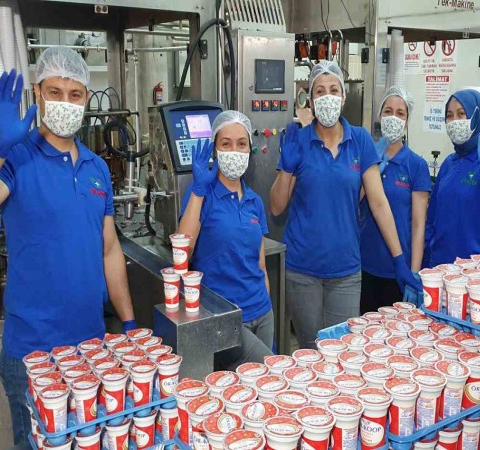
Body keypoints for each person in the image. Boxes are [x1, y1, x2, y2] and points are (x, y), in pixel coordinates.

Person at [0, 47, 136, 445]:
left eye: (75, 94)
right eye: (55, 92)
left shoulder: (97, 168)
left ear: (86, 98)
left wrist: (129, 323)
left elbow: (109, 251)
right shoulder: (17, 158)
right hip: (34, 356)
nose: (65, 102)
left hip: (91, 348)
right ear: (37, 93)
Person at [270, 60, 421, 350]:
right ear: (311, 99)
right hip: (303, 270)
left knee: (342, 351)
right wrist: (286, 168)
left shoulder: (360, 139)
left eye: (334, 90)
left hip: (346, 271)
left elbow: (378, 203)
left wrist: (399, 259)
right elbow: (276, 207)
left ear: (343, 97)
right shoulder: (298, 141)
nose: (327, 96)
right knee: (311, 351)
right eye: (320, 91)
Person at [177, 110, 274, 368]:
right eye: (226, 144)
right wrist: (198, 191)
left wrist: (267, 304)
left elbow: (260, 265)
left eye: (241, 144)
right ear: (215, 150)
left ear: (250, 149)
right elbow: (183, 253)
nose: (234, 150)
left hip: (262, 313)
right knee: (267, 372)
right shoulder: (202, 194)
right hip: (224, 316)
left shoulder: (254, 200)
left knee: (259, 388)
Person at [359, 87, 431, 313]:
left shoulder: (416, 165)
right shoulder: (365, 155)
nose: (393, 118)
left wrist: (414, 271)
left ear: (407, 121)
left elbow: (418, 225)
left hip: (399, 271)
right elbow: (352, 204)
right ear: (380, 117)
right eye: (388, 111)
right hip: (364, 266)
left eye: (400, 113)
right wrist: (370, 168)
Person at [424, 88, 480, 267]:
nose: (454, 121)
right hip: (441, 266)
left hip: (476, 269)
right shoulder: (449, 163)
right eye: (449, 115)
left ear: (476, 117)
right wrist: (425, 263)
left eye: (461, 114)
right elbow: (432, 218)